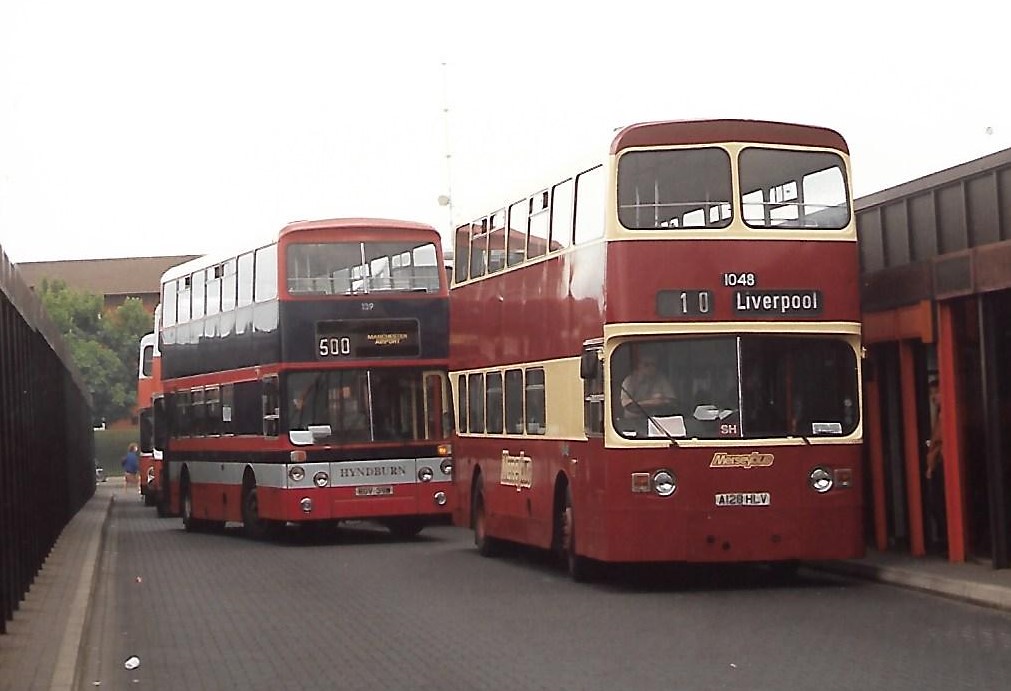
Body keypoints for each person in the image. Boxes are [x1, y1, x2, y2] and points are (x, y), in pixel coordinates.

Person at [924, 377, 947, 553]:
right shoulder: (940, 413)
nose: (934, 398)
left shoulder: (944, 415)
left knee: (937, 503)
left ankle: (945, 539)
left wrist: (931, 467)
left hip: (942, 464)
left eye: (936, 393)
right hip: (939, 463)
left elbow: (938, 443)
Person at [620, 354, 676, 420]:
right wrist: (654, 402)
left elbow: (671, 401)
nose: (650, 367)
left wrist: (639, 403)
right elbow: (627, 405)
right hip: (633, 421)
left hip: (657, 421)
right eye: (646, 365)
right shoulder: (630, 381)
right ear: (639, 366)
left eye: (653, 364)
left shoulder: (661, 379)